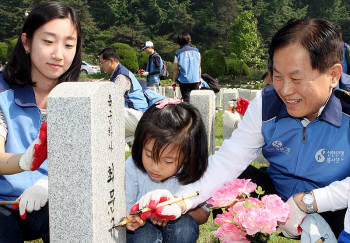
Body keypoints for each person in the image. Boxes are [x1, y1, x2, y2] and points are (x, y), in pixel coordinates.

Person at [136, 18, 350, 239]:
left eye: (296, 78)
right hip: (277, 201)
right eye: (277, 76)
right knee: (235, 185)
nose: (285, 90)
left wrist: (308, 202)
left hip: (334, 205)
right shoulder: (267, 103)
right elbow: (229, 160)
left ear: (333, 75)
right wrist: (180, 201)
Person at [0, 1, 82, 242]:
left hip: (58, 199)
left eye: (69, 44)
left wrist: (48, 184)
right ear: (26, 42)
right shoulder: (3, 92)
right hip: (7, 203)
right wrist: (26, 161)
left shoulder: (79, 98)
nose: (59, 54)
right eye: (48, 42)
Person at [125, 98, 210, 243]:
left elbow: (203, 215)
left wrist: (178, 210)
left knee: (185, 226)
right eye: (149, 155)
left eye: (168, 161)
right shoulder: (133, 166)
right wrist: (132, 218)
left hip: (179, 226)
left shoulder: (193, 170)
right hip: (143, 228)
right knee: (144, 236)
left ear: (187, 156)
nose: (155, 167)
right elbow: (126, 208)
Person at [172, 32, 201, 102]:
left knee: (187, 100)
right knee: (196, 100)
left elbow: (175, 70)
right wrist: (199, 79)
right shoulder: (197, 52)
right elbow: (199, 67)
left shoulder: (178, 53)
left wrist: (173, 81)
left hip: (184, 80)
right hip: (196, 79)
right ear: (189, 40)